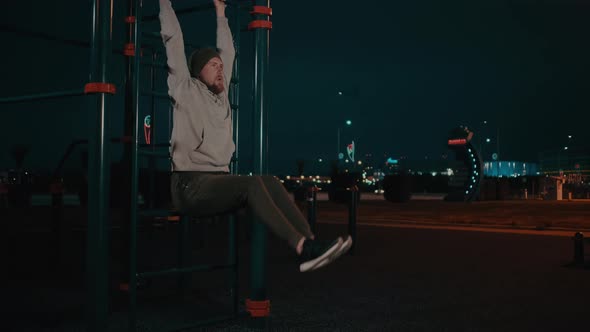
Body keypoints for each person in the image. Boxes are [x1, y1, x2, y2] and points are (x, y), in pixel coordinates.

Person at [159, 0, 351, 272]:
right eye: (213, 65)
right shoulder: (184, 89)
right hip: (191, 185)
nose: (220, 68)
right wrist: (165, 2)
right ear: (197, 72)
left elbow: (229, 52)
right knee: (251, 186)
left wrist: (220, 12)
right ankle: (300, 246)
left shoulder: (221, 95)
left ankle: (311, 243)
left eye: (220, 65)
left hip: (218, 181)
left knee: (269, 181)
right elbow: (173, 39)